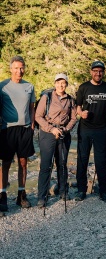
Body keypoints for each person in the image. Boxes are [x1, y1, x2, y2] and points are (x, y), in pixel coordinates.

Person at [75, 61, 106, 203]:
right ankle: (81, 190)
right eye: (95, 71)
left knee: (101, 161)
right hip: (85, 129)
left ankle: (104, 191)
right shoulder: (83, 87)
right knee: (82, 159)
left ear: (103, 73)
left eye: (100, 71)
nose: (98, 73)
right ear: (91, 72)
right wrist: (81, 113)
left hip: (102, 129)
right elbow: (78, 107)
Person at [35, 73, 77, 207]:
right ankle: (42, 196)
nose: (61, 85)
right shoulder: (46, 97)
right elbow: (38, 116)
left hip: (63, 133)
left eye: (63, 82)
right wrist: (51, 129)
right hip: (48, 133)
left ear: (66, 84)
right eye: (58, 82)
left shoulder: (70, 99)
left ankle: (63, 191)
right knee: (46, 165)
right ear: (54, 84)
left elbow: (74, 118)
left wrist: (66, 129)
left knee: (62, 163)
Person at [0, 56, 35, 212]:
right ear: (10, 69)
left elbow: (32, 107)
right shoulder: (2, 86)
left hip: (25, 129)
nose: (19, 71)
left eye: (21, 67)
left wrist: (32, 126)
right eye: (16, 68)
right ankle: (2, 196)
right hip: (7, 129)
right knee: (5, 163)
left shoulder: (29, 86)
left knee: (23, 163)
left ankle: (21, 195)